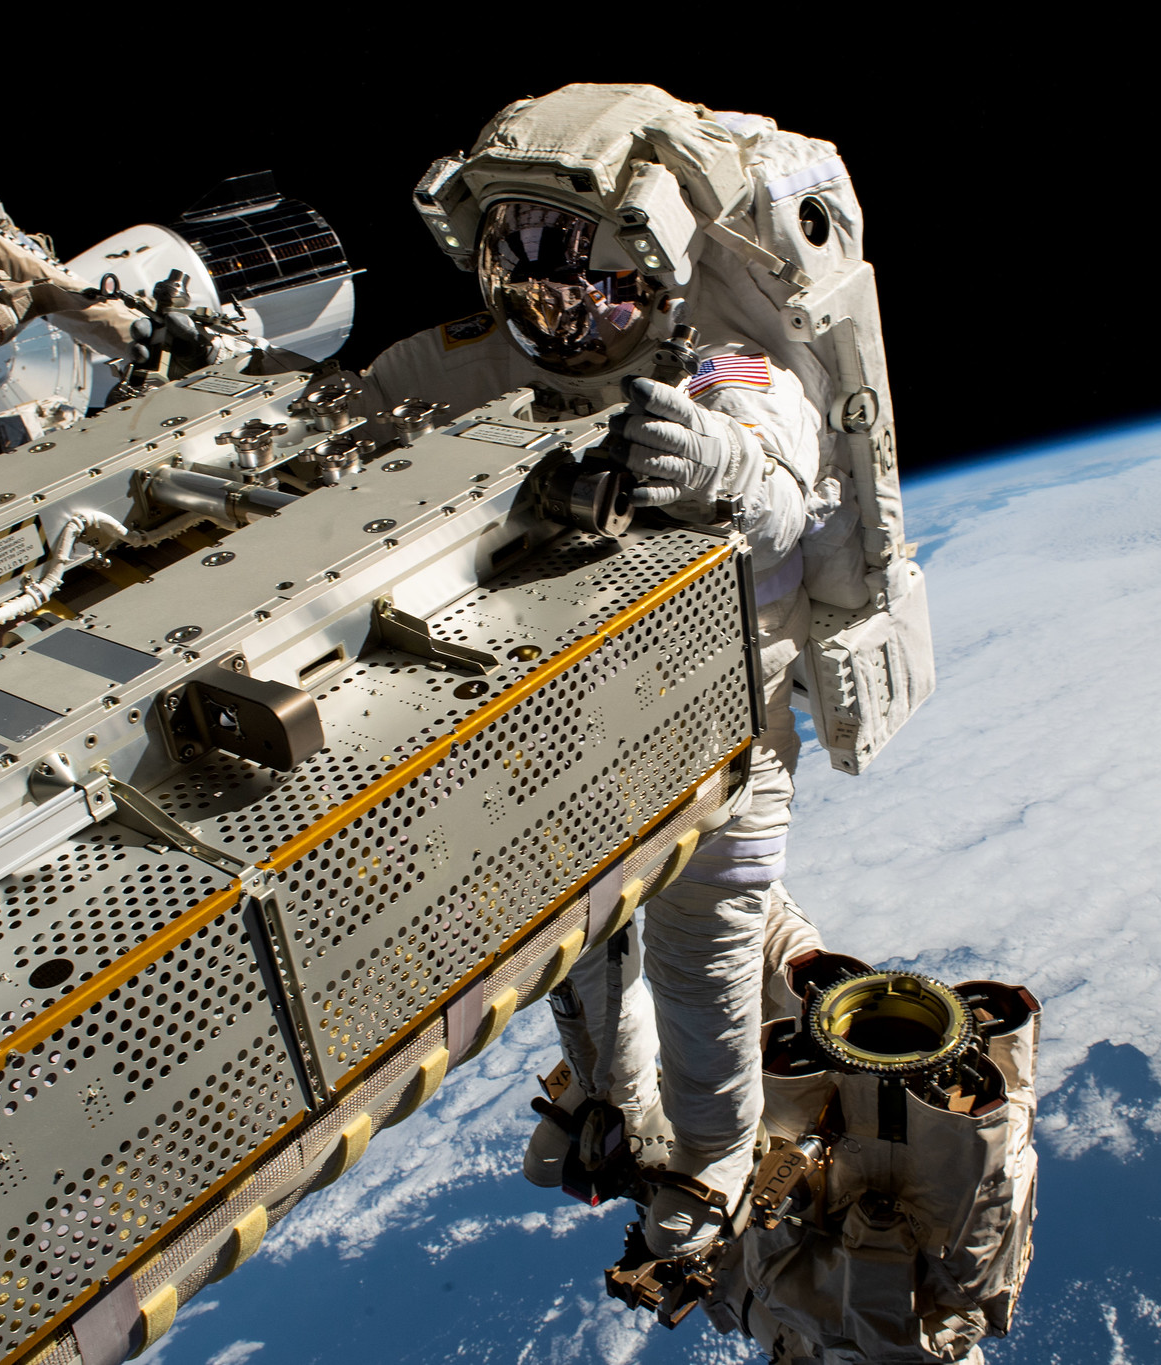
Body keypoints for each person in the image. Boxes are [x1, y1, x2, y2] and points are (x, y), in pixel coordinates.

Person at [356, 84, 847, 1260]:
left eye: (594, 274)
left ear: (658, 270)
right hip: (553, 742)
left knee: (698, 974)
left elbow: (785, 506)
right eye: (524, 264)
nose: (562, 304)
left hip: (719, 748)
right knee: (568, 961)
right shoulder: (467, 363)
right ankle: (604, 1101)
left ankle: (715, 1159)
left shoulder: (730, 379)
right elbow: (349, 413)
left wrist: (718, 463)